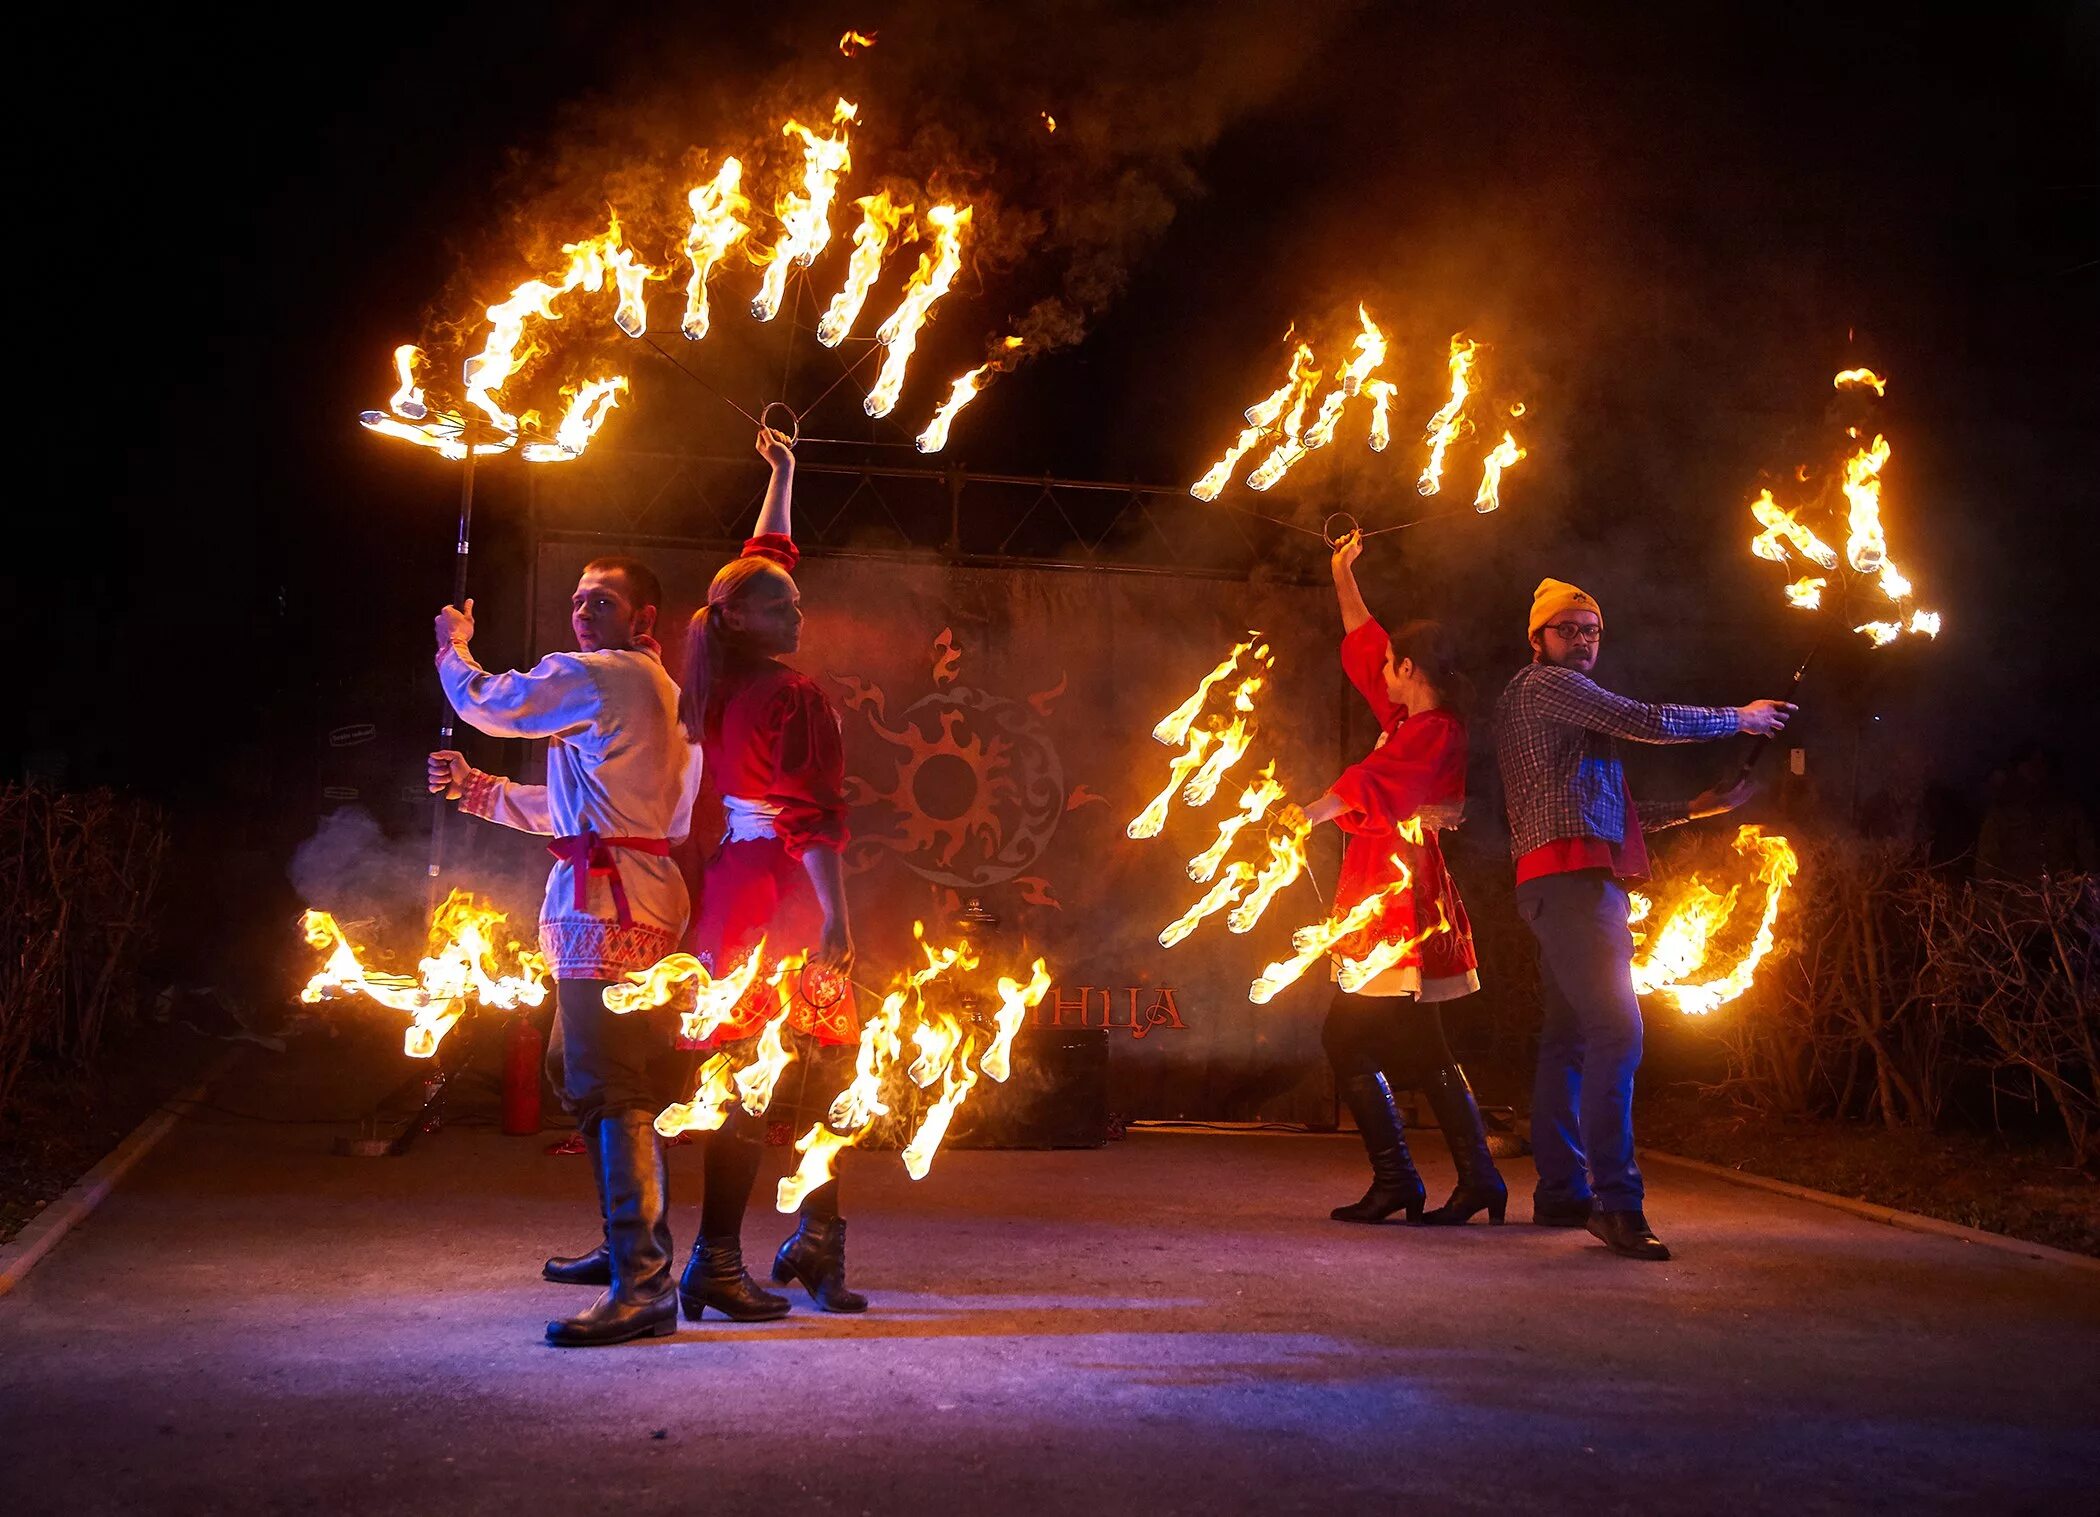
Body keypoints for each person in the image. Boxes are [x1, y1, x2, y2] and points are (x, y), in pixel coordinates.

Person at [428, 553, 702, 1345]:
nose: (584, 611)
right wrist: (481, 790)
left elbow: (491, 702)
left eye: (603, 600)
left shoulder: (601, 676)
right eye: (579, 599)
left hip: (607, 904)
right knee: (579, 1070)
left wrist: (455, 647)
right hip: (632, 890)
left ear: (643, 618)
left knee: (608, 1081)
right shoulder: (659, 693)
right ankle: (628, 1249)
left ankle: (642, 1281)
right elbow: (586, 808)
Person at [1493, 578, 1794, 1261]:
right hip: (1571, 886)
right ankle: (1617, 1203)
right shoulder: (1543, 688)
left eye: (1592, 630)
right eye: (1568, 628)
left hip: (1564, 880)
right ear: (1537, 638)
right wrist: (1738, 718)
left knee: (1568, 1040)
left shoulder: (1560, 712)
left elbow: (1607, 812)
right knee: (1617, 1033)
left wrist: (1695, 808)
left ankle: (1564, 1190)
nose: (1583, 640)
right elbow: (1648, 719)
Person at [675, 426, 866, 1316]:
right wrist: (836, 919)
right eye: (783, 608)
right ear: (744, 618)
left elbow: (761, 560)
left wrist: (784, 474)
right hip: (786, 895)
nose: (800, 614)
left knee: (757, 1072)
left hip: (734, 891)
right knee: (809, 1070)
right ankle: (738, 1252)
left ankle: (805, 1243)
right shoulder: (790, 693)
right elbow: (812, 815)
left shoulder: (711, 664)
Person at [1280, 531, 1505, 1228]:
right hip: (1393, 896)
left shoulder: (1432, 732)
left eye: (1391, 667)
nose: (1381, 672)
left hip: (1398, 905)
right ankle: (1471, 1178)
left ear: (1411, 670)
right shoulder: (1412, 716)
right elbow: (1364, 637)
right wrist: (1341, 572)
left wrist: (1305, 814)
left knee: (1347, 1039)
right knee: (1419, 1044)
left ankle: (1404, 1179)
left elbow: (1374, 783)